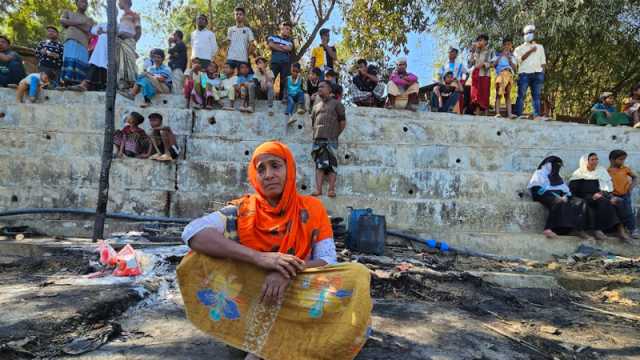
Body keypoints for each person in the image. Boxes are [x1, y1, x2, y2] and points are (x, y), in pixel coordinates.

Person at [178, 141, 372, 360]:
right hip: (255, 292)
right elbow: (192, 232)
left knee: (357, 273)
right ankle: (263, 341)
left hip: (298, 291)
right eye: (261, 169)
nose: (268, 174)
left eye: (275, 166)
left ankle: (262, 346)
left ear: (289, 169)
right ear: (254, 175)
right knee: (195, 257)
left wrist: (286, 269)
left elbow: (327, 260)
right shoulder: (241, 209)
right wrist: (261, 259)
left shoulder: (312, 208)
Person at [569, 153, 631, 241]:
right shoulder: (578, 174)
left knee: (619, 201)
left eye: (596, 159)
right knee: (602, 201)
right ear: (586, 161)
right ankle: (598, 229)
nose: (595, 162)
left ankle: (620, 230)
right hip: (586, 197)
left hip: (601, 194)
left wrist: (609, 196)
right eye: (592, 160)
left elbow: (607, 187)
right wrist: (592, 196)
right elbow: (574, 191)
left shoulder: (601, 171)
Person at [528, 156, 589, 239]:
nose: (557, 168)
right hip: (544, 194)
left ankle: (577, 229)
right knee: (556, 201)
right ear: (549, 165)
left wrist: (565, 196)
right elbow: (537, 190)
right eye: (555, 165)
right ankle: (548, 228)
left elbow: (566, 191)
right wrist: (554, 196)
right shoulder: (539, 174)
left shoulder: (558, 177)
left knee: (580, 202)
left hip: (560, 196)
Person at [311, 81, 346, 198]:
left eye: (322, 86)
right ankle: (318, 189)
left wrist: (335, 135)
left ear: (329, 89)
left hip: (331, 140)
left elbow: (342, 122)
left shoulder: (337, 104)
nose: (319, 88)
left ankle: (331, 189)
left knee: (332, 165)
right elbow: (313, 123)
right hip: (318, 139)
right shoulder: (315, 106)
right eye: (318, 87)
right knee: (319, 165)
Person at [514, 25, 546, 120]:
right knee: (521, 95)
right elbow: (519, 60)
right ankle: (518, 114)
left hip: (538, 74)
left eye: (532, 32)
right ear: (524, 35)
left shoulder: (540, 47)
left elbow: (543, 62)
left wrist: (542, 74)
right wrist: (531, 50)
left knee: (536, 96)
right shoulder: (518, 48)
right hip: (524, 74)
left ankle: (537, 116)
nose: (530, 34)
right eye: (528, 33)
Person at [60, 0, 95, 86]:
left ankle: (79, 84)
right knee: (69, 59)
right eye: (82, 2)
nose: (84, 4)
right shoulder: (68, 12)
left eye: (86, 3)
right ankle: (65, 82)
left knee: (81, 62)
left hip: (84, 43)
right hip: (70, 39)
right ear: (76, 3)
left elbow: (88, 30)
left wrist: (71, 23)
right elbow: (62, 21)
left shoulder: (89, 19)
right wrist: (81, 23)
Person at [608, 150, 639, 238]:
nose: (622, 162)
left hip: (625, 194)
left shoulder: (625, 169)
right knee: (621, 212)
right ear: (612, 160)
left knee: (628, 211)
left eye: (624, 159)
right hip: (614, 195)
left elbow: (635, 177)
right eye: (620, 159)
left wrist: (631, 187)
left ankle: (632, 229)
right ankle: (622, 230)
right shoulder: (607, 171)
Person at [116, 0, 141, 89]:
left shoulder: (134, 15)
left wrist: (133, 39)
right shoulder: (121, 16)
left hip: (129, 41)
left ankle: (132, 82)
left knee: (130, 61)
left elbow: (138, 30)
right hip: (120, 41)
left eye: (120, 1)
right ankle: (123, 82)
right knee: (121, 61)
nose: (118, 3)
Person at [267, 21, 294, 100]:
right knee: (271, 79)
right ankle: (268, 98)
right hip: (274, 62)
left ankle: (283, 99)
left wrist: (277, 47)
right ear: (281, 28)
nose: (288, 31)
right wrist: (283, 47)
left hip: (285, 64)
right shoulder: (273, 37)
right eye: (286, 29)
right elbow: (271, 45)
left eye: (289, 30)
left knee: (285, 81)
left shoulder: (290, 41)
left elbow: (289, 48)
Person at [492, 37, 516, 118]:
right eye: (505, 45)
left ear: (511, 46)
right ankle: (497, 113)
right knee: (499, 93)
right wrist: (501, 56)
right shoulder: (498, 55)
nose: (507, 46)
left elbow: (514, 67)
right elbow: (493, 65)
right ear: (502, 46)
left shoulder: (512, 56)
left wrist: (509, 59)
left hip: (509, 74)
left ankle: (509, 114)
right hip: (500, 75)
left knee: (507, 94)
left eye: (509, 45)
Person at [469, 34, 491, 116]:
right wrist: (472, 52)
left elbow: (492, 63)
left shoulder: (490, 51)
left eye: (482, 40)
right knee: (476, 95)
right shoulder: (475, 51)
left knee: (485, 94)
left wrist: (483, 64)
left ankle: (486, 114)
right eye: (479, 40)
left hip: (485, 75)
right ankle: (477, 114)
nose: (480, 42)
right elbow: (469, 64)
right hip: (476, 75)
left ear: (486, 41)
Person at [168, 30, 188, 95]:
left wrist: (170, 43)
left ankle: (178, 104)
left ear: (177, 36)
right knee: (175, 87)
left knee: (177, 89)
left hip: (177, 69)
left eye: (174, 35)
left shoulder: (180, 44)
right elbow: (173, 54)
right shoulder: (178, 45)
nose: (172, 37)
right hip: (175, 69)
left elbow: (171, 51)